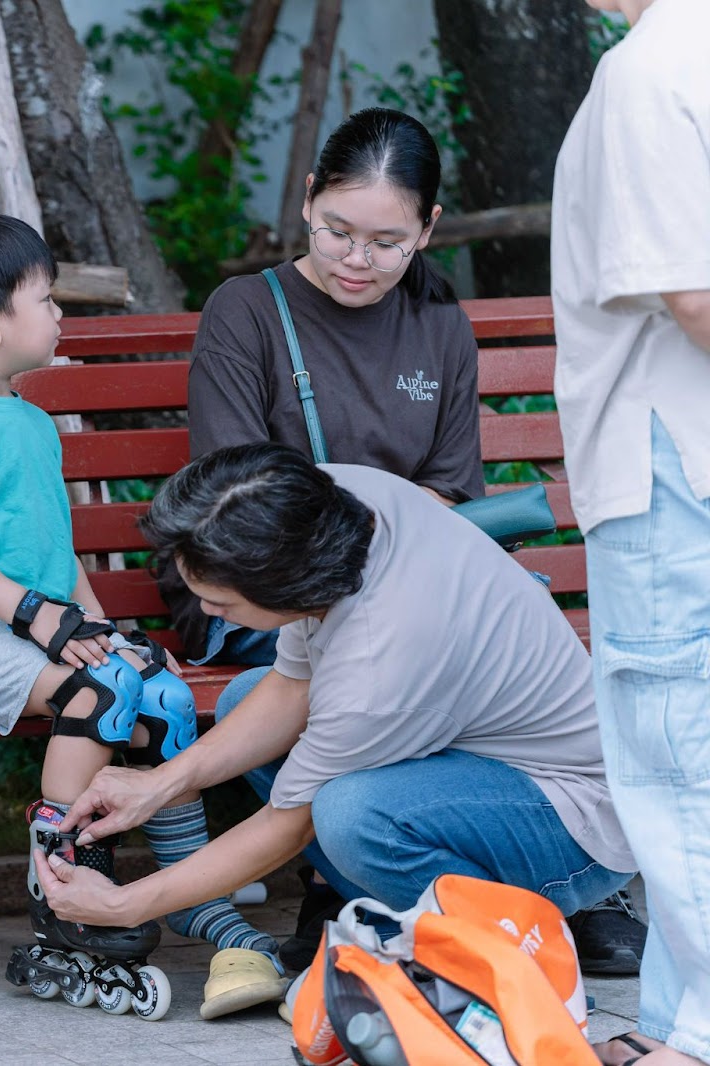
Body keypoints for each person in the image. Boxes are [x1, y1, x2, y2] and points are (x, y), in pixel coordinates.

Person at [171, 105, 644, 974]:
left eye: (387, 242)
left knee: (450, 656)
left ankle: (521, 876)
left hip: (409, 590)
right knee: (261, 706)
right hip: (272, 590)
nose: (358, 259)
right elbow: (236, 497)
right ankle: (347, 873)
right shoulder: (248, 311)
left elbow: (447, 491)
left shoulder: (436, 322)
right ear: (307, 200)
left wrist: (404, 571)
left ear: (427, 229)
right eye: (337, 231)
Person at [35, 445, 639, 1002]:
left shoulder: (381, 660)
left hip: (573, 818)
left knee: (351, 816)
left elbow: (287, 825)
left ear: (291, 587)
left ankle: (495, 939)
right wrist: (158, 784)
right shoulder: (335, 500)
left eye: (223, 605)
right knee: (251, 690)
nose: (208, 613)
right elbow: (292, 683)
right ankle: (415, 918)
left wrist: (127, 903)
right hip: (476, 758)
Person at [0, 212, 283, 1021]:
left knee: (158, 693)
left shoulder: (32, 421)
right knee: (97, 695)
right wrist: (41, 622)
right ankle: (59, 878)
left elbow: (59, 550)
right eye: (47, 298)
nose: (61, 313)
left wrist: (102, 630)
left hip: (43, 628)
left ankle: (189, 888)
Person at [552, 2, 710, 1062]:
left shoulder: (652, 67)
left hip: (666, 460)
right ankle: (669, 1019)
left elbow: (693, 297)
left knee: (676, 763)